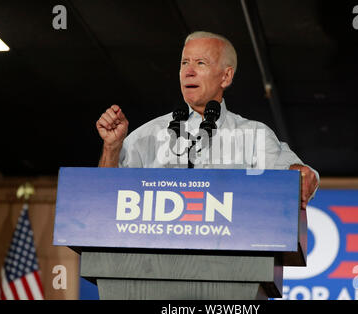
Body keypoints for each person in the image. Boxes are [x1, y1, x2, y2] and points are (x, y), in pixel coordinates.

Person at [96, 31, 319, 208]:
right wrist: (112, 147)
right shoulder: (147, 134)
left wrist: (301, 175)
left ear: (226, 76)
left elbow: (295, 175)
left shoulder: (253, 135)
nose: (188, 72)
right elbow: (103, 198)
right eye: (184, 63)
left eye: (200, 63)